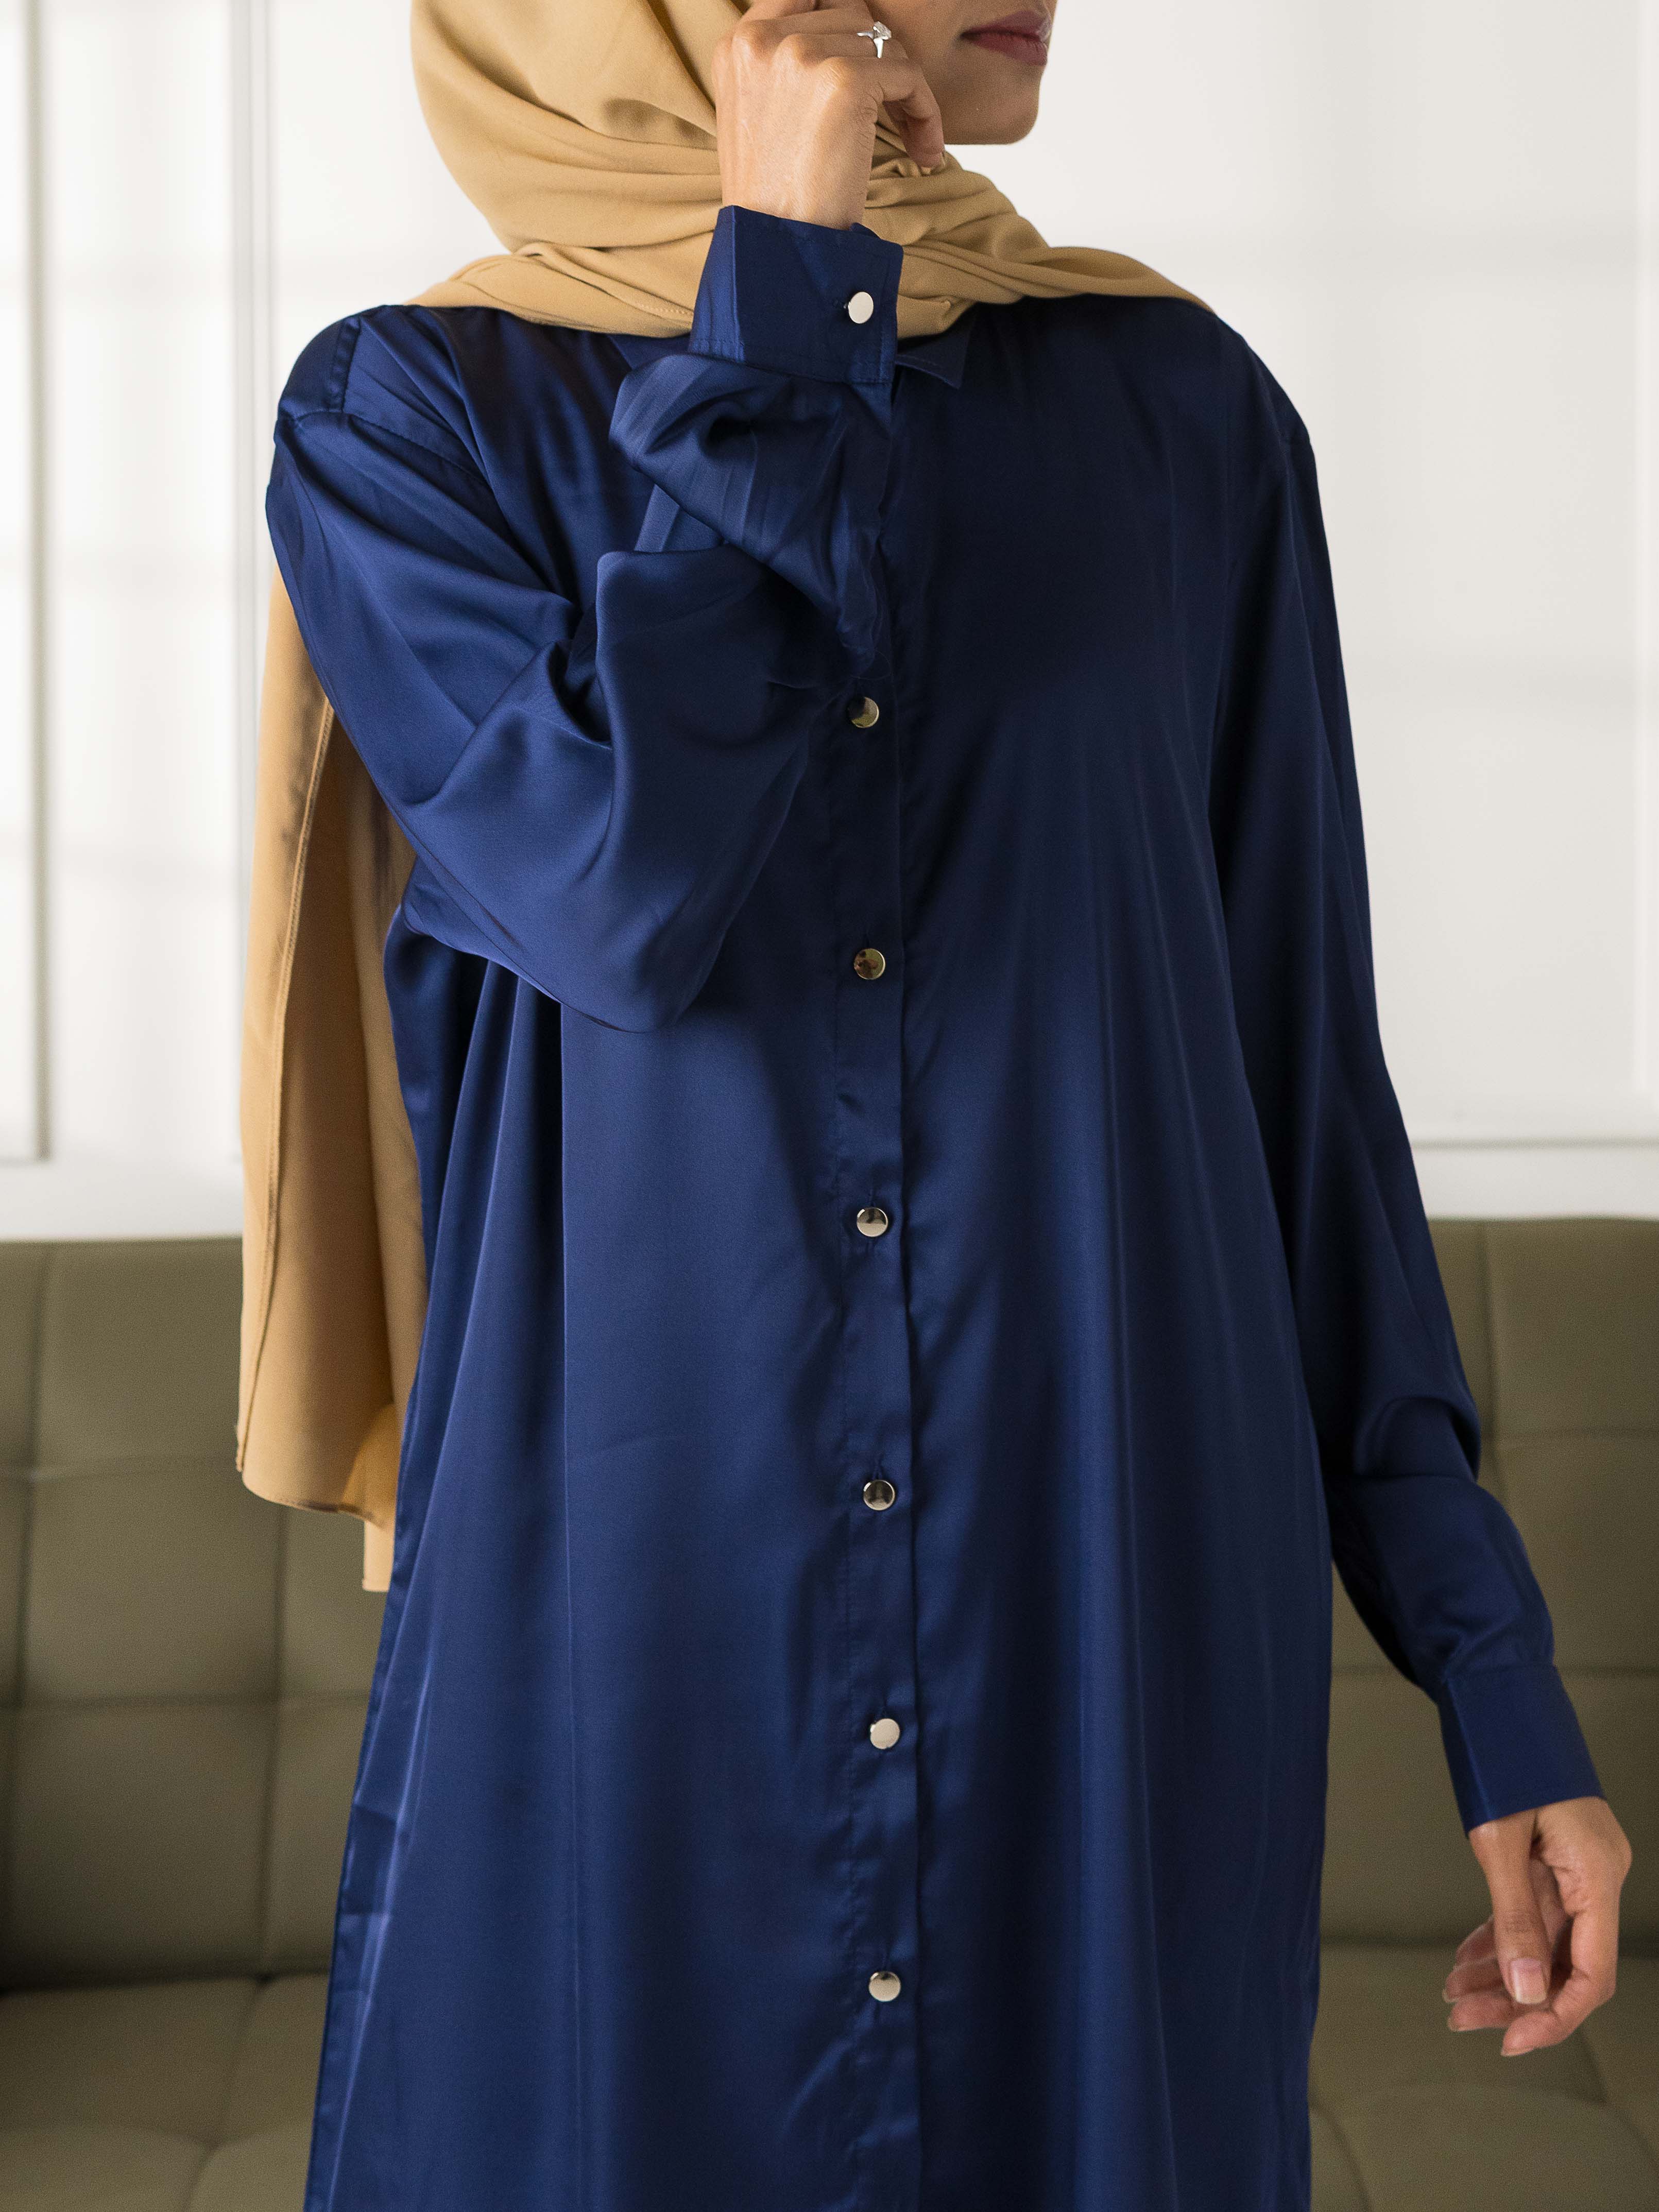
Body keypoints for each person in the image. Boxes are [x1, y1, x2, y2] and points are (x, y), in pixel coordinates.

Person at [254, 1, 1632, 2206]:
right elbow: (622, 890)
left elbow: (1299, 1088)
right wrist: (785, 315)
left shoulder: (1177, 410)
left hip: (1110, 1597)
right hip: (636, 1617)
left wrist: (1492, 1677)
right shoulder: (411, 419)